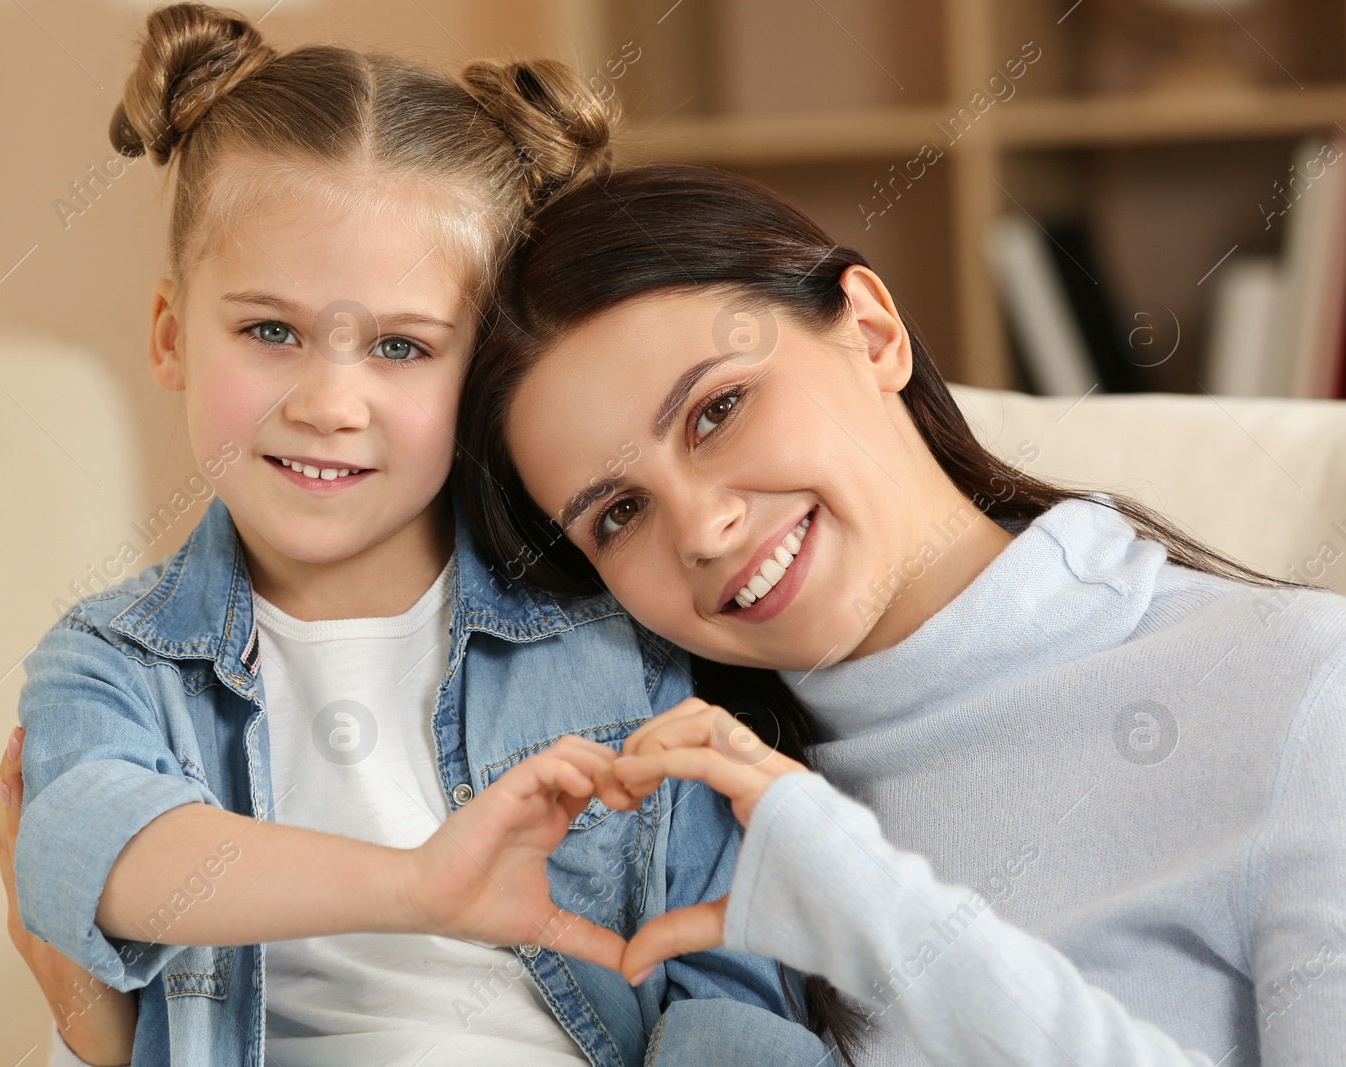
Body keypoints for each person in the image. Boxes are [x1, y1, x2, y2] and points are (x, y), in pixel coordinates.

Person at [0, 7, 863, 1067]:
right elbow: (85, 849)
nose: (328, 401)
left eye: (401, 346)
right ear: (172, 333)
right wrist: (416, 885)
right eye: (271, 331)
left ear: (482, 375)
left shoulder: (608, 641)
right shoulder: (116, 658)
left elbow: (735, 979)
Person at [456, 162, 1346, 1065]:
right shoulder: (682, 832)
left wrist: (879, 915)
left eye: (717, 409)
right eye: (618, 513)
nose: (704, 527)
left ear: (874, 333)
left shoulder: (1304, 689)